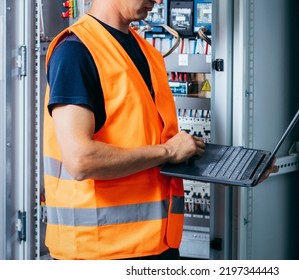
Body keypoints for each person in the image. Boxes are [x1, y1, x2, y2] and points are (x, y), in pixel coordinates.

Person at [43, 0, 277, 260]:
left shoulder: (147, 53)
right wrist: (167, 151)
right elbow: (81, 161)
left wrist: (239, 166)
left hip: (157, 244)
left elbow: (154, 145)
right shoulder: (75, 52)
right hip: (98, 251)